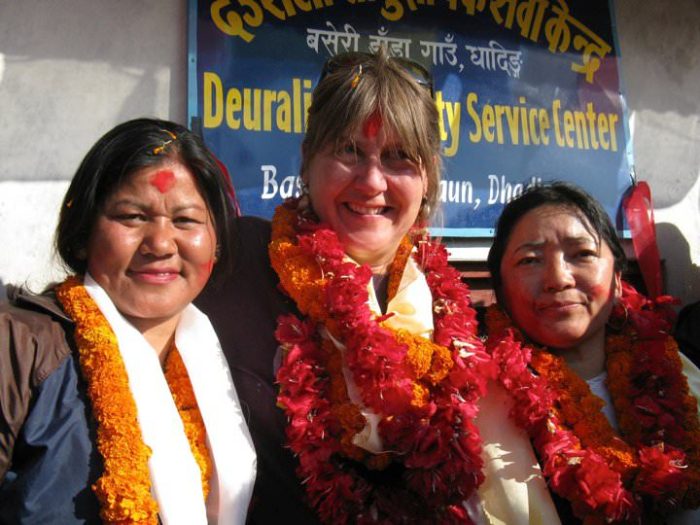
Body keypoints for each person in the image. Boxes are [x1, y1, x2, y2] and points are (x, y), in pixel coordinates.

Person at [198, 49, 493, 523]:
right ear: (307, 160)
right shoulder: (236, 261)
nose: (372, 181)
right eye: (348, 151)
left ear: (429, 176)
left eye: (399, 157)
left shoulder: (454, 310)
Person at [0, 118, 256, 524]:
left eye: (185, 221)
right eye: (133, 217)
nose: (160, 244)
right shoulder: (20, 349)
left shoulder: (233, 363)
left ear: (217, 243)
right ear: (83, 234)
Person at [479, 182, 700, 524]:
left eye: (582, 254)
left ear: (617, 278)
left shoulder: (682, 375)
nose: (558, 279)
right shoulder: (484, 407)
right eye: (530, 260)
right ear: (502, 291)